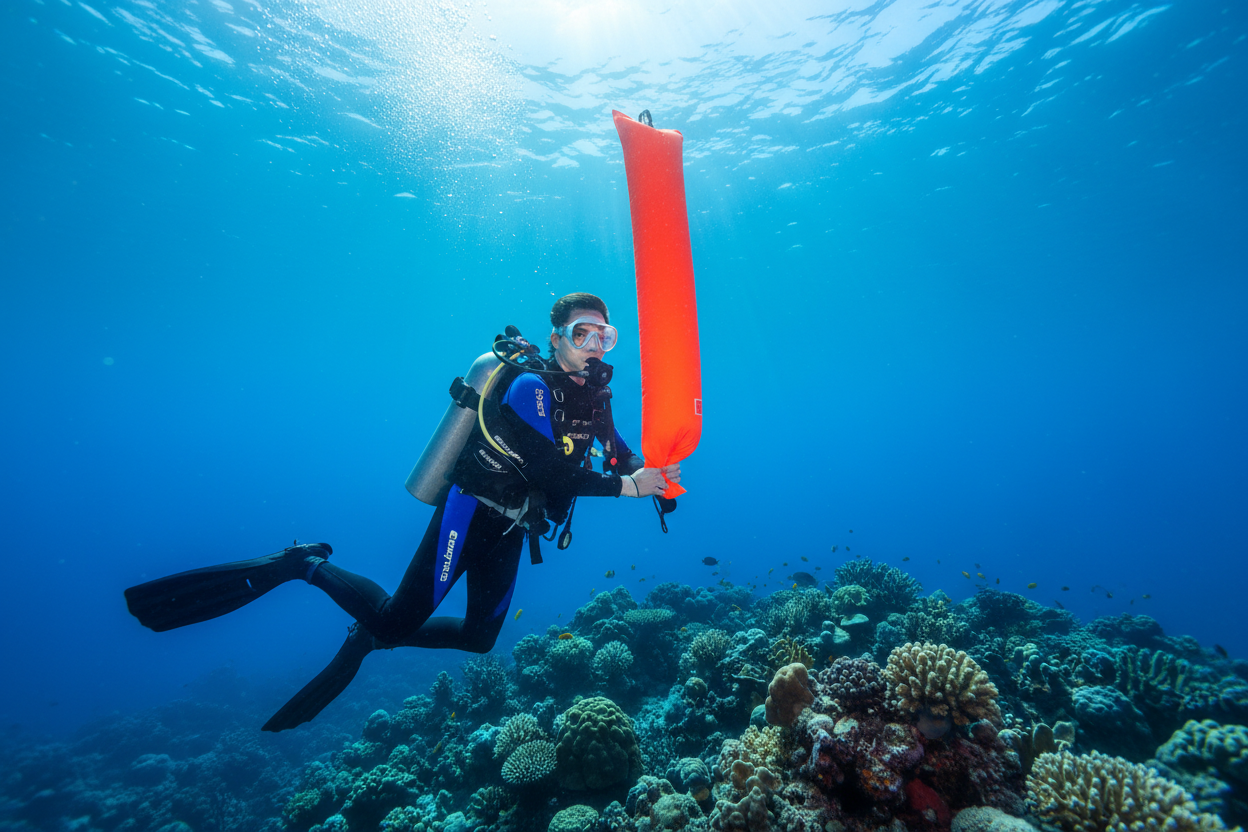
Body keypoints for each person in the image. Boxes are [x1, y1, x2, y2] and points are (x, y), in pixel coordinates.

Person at [124, 293, 680, 731]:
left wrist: (645, 472)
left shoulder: (594, 394)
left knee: (480, 639)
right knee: (394, 619)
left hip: (514, 527)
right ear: (557, 336)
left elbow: (613, 446)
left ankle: (370, 635)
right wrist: (629, 490)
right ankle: (305, 564)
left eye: (603, 334)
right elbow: (551, 473)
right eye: (582, 333)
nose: (595, 345)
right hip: (471, 516)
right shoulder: (530, 387)